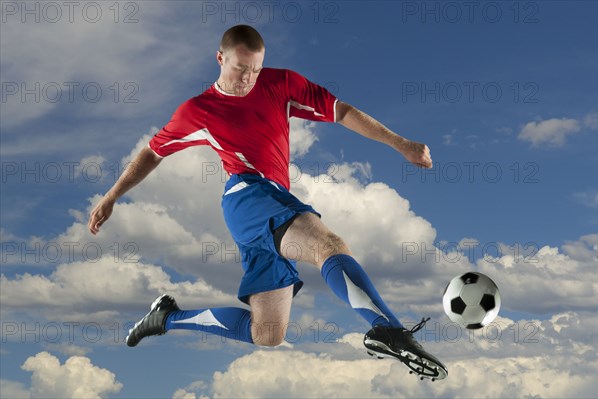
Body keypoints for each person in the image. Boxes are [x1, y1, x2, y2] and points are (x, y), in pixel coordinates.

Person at [88, 25, 447, 381]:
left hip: (267, 202)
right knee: (329, 245)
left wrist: (401, 143)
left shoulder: (281, 84)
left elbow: (341, 111)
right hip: (247, 194)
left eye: (256, 69)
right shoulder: (199, 111)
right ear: (220, 58)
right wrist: (111, 196)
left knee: (267, 333)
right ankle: (390, 331)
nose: (248, 78)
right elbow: (153, 152)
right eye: (240, 68)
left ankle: (165, 317)